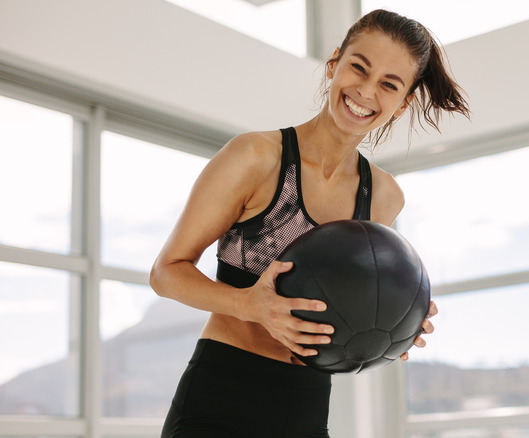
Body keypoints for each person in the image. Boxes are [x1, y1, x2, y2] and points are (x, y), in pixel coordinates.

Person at [149, 9, 469, 437]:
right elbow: (166, 273)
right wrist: (251, 305)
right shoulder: (256, 158)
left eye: (389, 85)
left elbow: (356, 305)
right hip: (220, 398)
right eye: (359, 67)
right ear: (334, 63)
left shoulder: (385, 196)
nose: (366, 91)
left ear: (403, 102)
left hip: (306, 408)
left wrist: (396, 326)